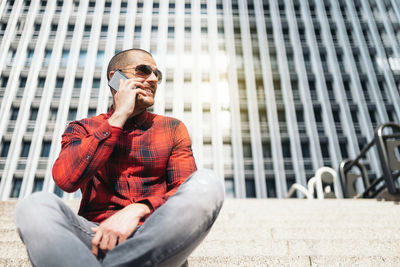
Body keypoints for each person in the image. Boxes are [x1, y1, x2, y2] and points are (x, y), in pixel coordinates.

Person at [15, 48, 225, 267]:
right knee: (33, 205)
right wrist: (119, 116)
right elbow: (66, 180)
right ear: (115, 78)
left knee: (207, 184)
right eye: (143, 70)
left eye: (157, 75)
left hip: (155, 237)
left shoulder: (172, 128)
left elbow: (182, 190)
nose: (153, 79)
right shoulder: (83, 129)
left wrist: (140, 208)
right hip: (94, 236)